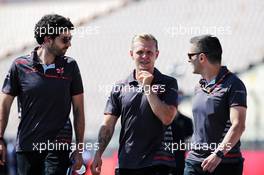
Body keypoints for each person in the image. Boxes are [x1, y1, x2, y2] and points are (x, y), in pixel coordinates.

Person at [0, 14, 85, 175]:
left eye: (70, 38)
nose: (69, 44)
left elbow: (79, 110)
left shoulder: (71, 66)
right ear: (47, 39)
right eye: (64, 40)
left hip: (58, 146)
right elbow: (4, 104)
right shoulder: (19, 66)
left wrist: (79, 149)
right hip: (27, 146)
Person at [91, 33, 178, 175]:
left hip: (159, 164)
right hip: (127, 163)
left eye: (149, 52)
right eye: (140, 52)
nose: (145, 56)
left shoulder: (168, 82)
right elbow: (108, 124)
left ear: (157, 54)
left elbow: (167, 118)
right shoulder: (120, 86)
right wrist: (98, 154)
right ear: (131, 54)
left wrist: (148, 87)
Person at [184, 35, 247, 175]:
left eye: (190, 55)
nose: (188, 59)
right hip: (194, 162)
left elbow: (238, 125)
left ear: (201, 58)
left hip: (225, 163)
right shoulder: (198, 86)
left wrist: (218, 154)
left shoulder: (234, 84)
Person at [152, 91, 193, 175]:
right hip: (161, 161)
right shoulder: (159, 120)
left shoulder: (187, 120)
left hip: (179, 159)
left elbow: (188, 141)